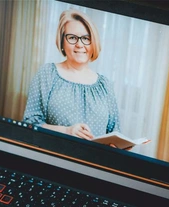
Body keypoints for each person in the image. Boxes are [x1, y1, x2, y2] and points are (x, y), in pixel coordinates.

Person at [23, 9, 120, 141]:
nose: (79, 44)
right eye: (72, 38)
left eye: (86, 38)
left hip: (92, 160)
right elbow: (30, 124)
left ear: (93, 43)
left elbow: (114, 132)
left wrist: (119, 144)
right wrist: (66, 131)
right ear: (62, 42)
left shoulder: (105, 85)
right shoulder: (47, 73)